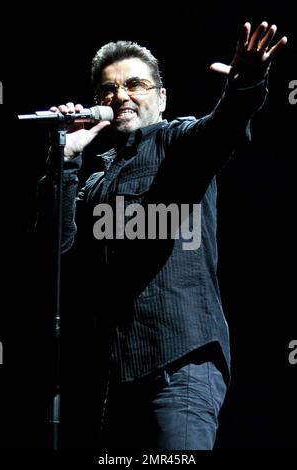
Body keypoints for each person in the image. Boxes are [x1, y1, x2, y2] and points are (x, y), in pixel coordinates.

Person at [36, 21, 287, 451]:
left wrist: (246, 83)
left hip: (180, 363)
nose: (121, 96)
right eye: (108, 90)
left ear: (162, 97)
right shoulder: (94, 183)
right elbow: (54, 249)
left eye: (136, 84)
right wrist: (65, 160)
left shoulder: (178, 141)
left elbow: (222, 127)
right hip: (114, 380)